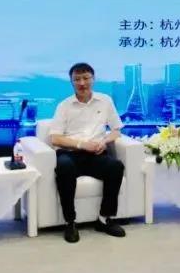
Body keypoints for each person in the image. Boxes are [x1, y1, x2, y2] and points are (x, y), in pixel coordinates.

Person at [48, 62, 127, 243]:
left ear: (93, 79)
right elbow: (55, 139)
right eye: (77, 79)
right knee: (64, 168)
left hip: (96, 154)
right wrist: (82, 145)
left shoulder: (105, 101)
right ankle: (70, 222)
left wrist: (103, 142)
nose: (82, 83)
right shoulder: (64, 106)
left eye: (85, 78)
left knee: (115, 167)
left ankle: (104, 219)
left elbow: (116, 131)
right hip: (70, 154)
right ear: (71, 82)